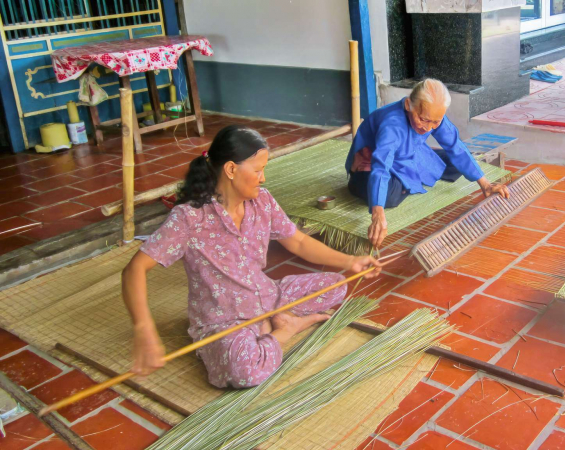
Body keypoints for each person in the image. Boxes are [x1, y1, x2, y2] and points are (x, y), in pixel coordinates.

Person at [122, 125, 382, 389]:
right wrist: (143, 329)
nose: (263, 178)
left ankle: (268, 326)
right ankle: (284, 330)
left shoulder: (262, 202)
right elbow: (135, 269)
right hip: (224, 320)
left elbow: (299, 241)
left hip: (268, 297)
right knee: (244, 370)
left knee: (336, 286)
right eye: (257, 170)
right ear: (231, 170)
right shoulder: (190, 218)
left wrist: (351, 262)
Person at [345, 78, 510, 248]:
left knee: (455, 162)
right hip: (371, 167)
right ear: (409, 104)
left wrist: (486, 184)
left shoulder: (432, 116)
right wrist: (377, 213)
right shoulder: (392, 124)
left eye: (435, 122)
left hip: (407, 157)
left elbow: (455, 145)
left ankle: (406, 181)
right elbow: (380, 167)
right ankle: (401, 184)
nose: (428, 128)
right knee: (388, 197)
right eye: (423, 119)